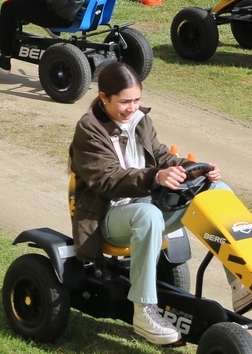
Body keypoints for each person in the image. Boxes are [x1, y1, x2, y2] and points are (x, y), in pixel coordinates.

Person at [70, 62, 228, 346]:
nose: (132, 108)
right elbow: (107, 180)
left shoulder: (141, 121)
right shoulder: (89, 128)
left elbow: (163, 158)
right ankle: (144, 312)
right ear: (104, 97)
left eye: (137, 100)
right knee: (148, 215)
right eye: (125, 102)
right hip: (107, 215)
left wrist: (196, 169)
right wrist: (155, 176)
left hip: (146, 203)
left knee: (217, 190)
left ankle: (241, 282)